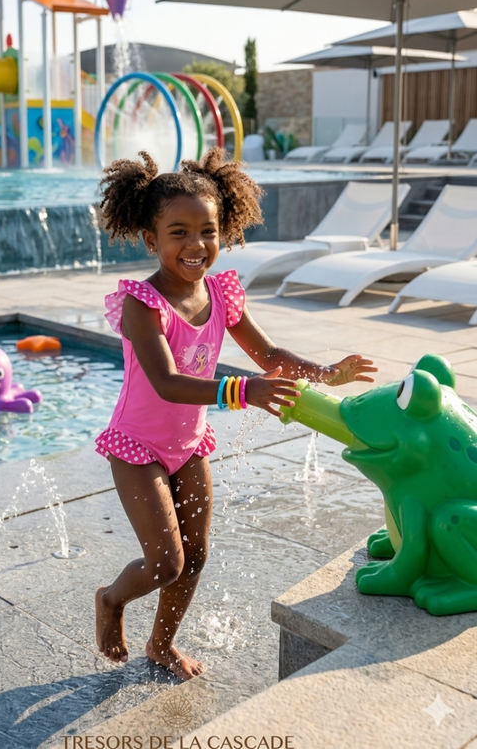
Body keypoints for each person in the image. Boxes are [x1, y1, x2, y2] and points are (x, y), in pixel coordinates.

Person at [94, 148, 376, 680]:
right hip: (138, 447)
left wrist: (325, 372)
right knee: (165, 562)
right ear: (151, 239)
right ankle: (110, 599)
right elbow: (167, 382)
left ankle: (161, 643)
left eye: (208, 231)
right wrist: (245, 391)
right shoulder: (143, 304)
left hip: (187, 446)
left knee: (196, 554)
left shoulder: (221, 295)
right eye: (178, 233)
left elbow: (270, 356)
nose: (196, 244)